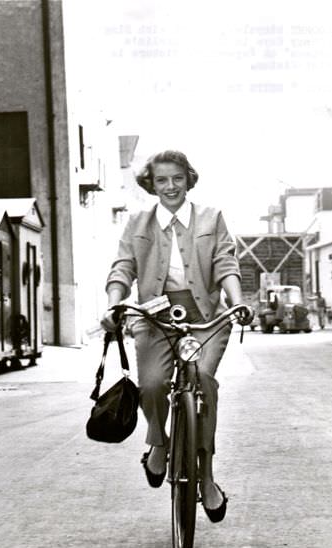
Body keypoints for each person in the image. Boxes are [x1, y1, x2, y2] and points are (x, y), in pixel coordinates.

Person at [101, 149, 252, 523]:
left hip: (205, 318)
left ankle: (208, 479)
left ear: (189, 180)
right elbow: (123, 267)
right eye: (162, 180)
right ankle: (157, 442)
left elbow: (225, 262)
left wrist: (238, 302)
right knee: (152, 385)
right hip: (154, 319)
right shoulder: (137, 222)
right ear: (150, 185)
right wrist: (113, 304)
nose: (170, 187)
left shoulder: (211, 218)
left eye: (177, 179)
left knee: (203, 381)